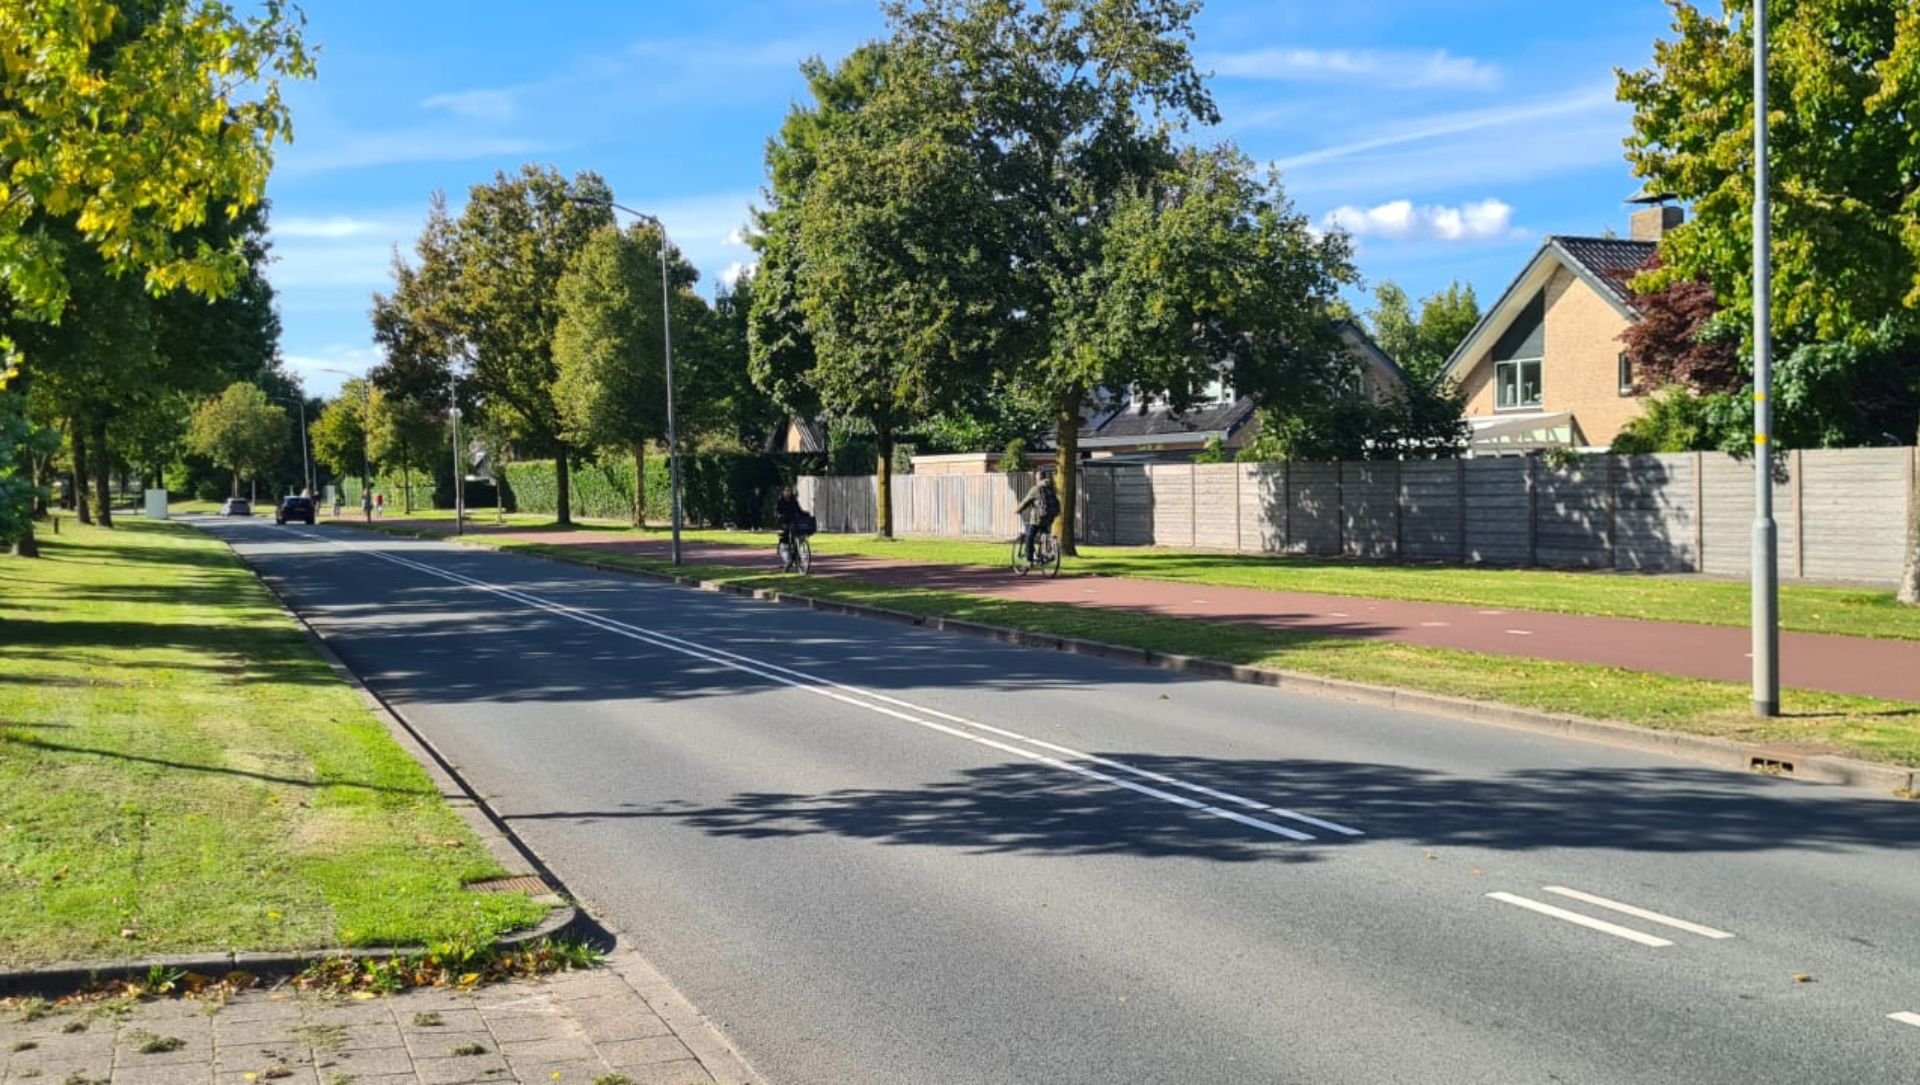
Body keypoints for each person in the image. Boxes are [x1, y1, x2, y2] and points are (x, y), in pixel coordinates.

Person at [1015, 470, 1060, 564]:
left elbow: (1025, 502)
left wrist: (1017, 510)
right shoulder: (1050, 488)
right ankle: (1046, 554)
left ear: (1038, 478)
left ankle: (1029, 560)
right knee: (1044, 534)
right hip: (1050, 517)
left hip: (1037, 518)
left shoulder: (1036, 489)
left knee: (1029, 537)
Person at [774, 486, 804, 558]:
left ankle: (796, 548)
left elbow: (798, 510)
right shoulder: (780, 501)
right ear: (783, 492)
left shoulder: (793, 500)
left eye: (789, 491)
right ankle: (786, 548)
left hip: (793, 520)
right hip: (784, 521)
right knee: (787, 533)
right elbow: (776, 511)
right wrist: (779, 516)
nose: (788, 492)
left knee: (799, 530)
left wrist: (805, 514)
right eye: (786, 491)